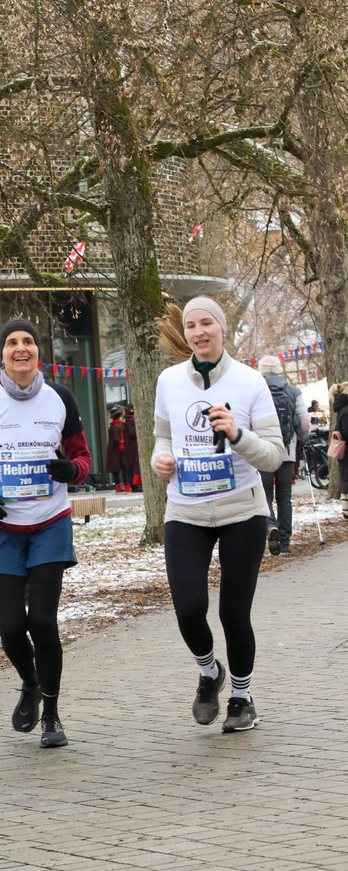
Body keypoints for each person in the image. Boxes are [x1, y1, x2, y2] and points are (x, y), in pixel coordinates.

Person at [0, 318, 92, 748]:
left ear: (38, 352)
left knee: (44, 622)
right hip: (1, 528)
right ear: (2, 354)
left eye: (28, 341)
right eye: (12, 342)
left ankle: (51, 715)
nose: (21, 348)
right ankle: (31, 683)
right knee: (12, 627)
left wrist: (73, 471)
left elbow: (82, 456)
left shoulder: (60, 398)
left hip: (50, 522)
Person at [153, 297, 284, 733]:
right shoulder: (169, 381)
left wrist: (237, 434)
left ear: (222, 329)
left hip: (242, 510)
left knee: (233, 613)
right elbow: (161, 438)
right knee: (189, 608)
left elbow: (274, 456)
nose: (198, 332)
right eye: (191, 325)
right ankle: (210, 672)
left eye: (206, 323)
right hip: (185, 510)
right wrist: (162, 459)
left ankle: (243, 699)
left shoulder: (250, 382)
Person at [257, 356, 309, 556]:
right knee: (285, 497)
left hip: (263, 452)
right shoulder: (293, 391)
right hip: (287, 453)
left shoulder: (257, 389)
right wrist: (301, 440)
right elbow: (304, 423)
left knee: (265, 495)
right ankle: (285, 543)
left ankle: (270, 526)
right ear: (279, 370)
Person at [329, 382, 348, 520]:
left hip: (344, 451)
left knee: (345, 478)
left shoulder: (341, 408)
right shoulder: (346, 410)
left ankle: (346, 510)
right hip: (347, 450)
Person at [122, 406, 142, 492]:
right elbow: (132, 433)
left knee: (132, 466)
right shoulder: (130, 421)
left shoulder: (127, 421)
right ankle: (135, 485)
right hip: (132, 447)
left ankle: (134, 484)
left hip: (130, 447)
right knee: (134, 467)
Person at [106, 405, 124, 490]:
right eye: (120, 416)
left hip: (116, 451)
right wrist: (121, 447)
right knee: (116, 469)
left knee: (118, 469)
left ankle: (119, 485)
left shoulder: (116, 426)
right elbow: (116, 439)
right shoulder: (114, 426)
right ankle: (118, 485)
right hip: (115, 451)